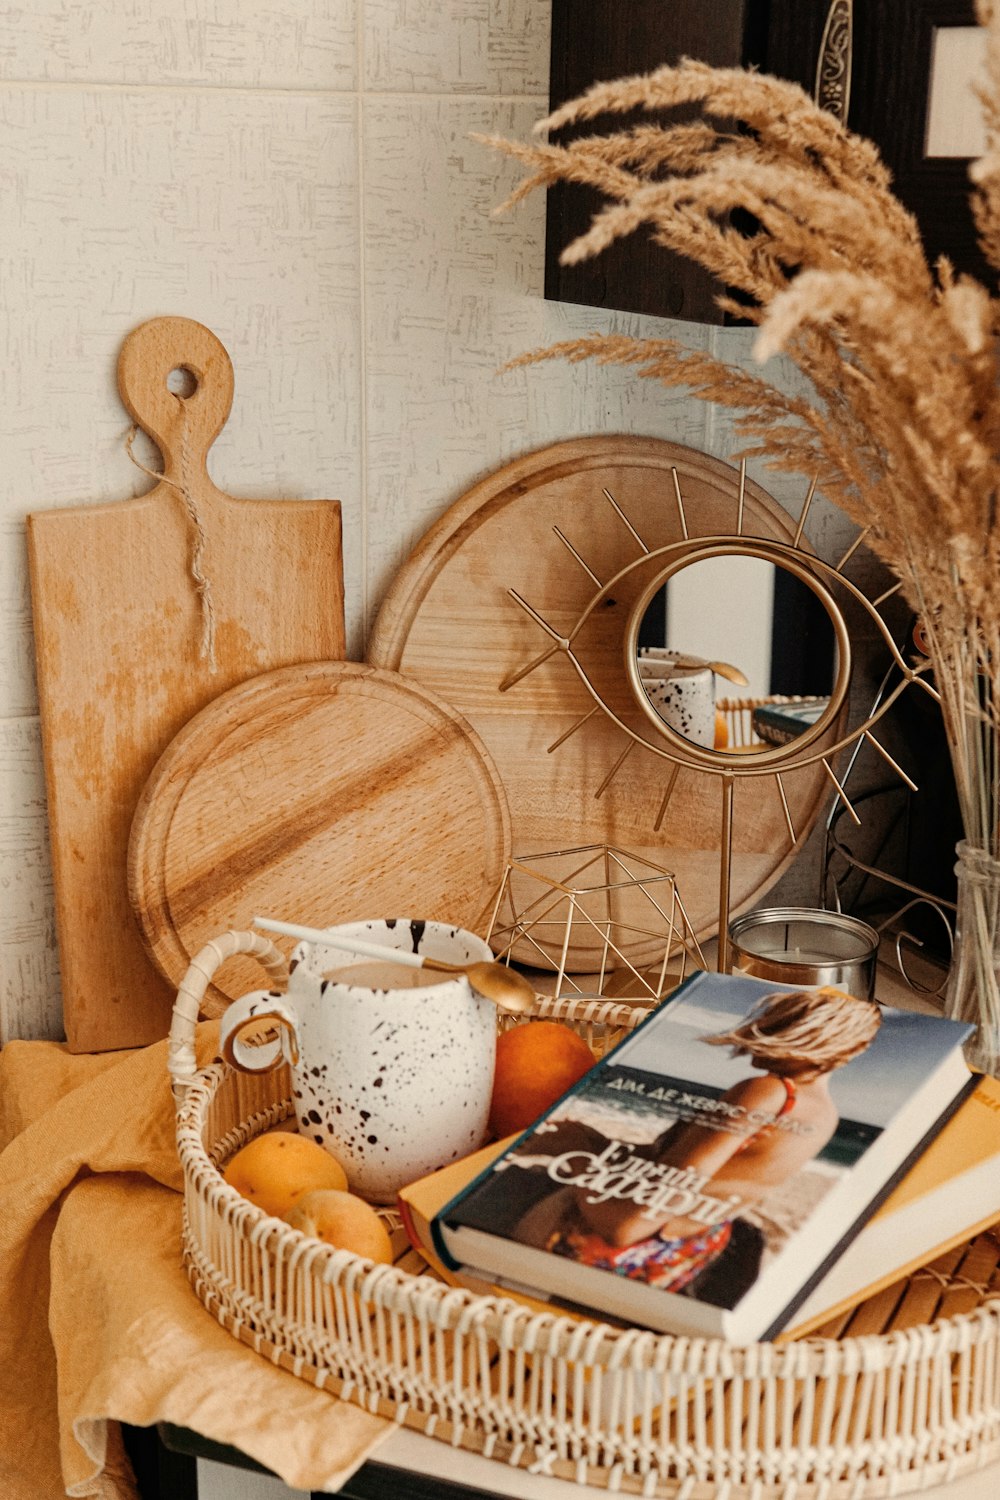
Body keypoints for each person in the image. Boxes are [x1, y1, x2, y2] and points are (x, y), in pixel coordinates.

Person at [511, 986, 882, 1307]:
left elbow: (630, 1224)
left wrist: (577, 1154)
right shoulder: (825, 1116)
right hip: (686, 1252)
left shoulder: (768, 1092)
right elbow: (707, 1175)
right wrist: (596, 1141)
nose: (754, 1031)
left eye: (774, 1022)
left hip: (612, 1245)